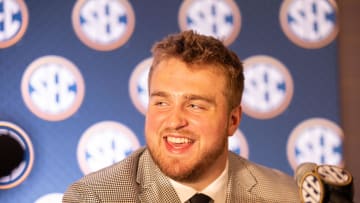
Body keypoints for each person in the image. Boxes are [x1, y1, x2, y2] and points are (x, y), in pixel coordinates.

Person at [63, 30, 300, 203]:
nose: (175, 121)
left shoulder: (288, 196)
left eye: (195, 105)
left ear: (233, 120)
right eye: (162, 103)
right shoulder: (93, 198)